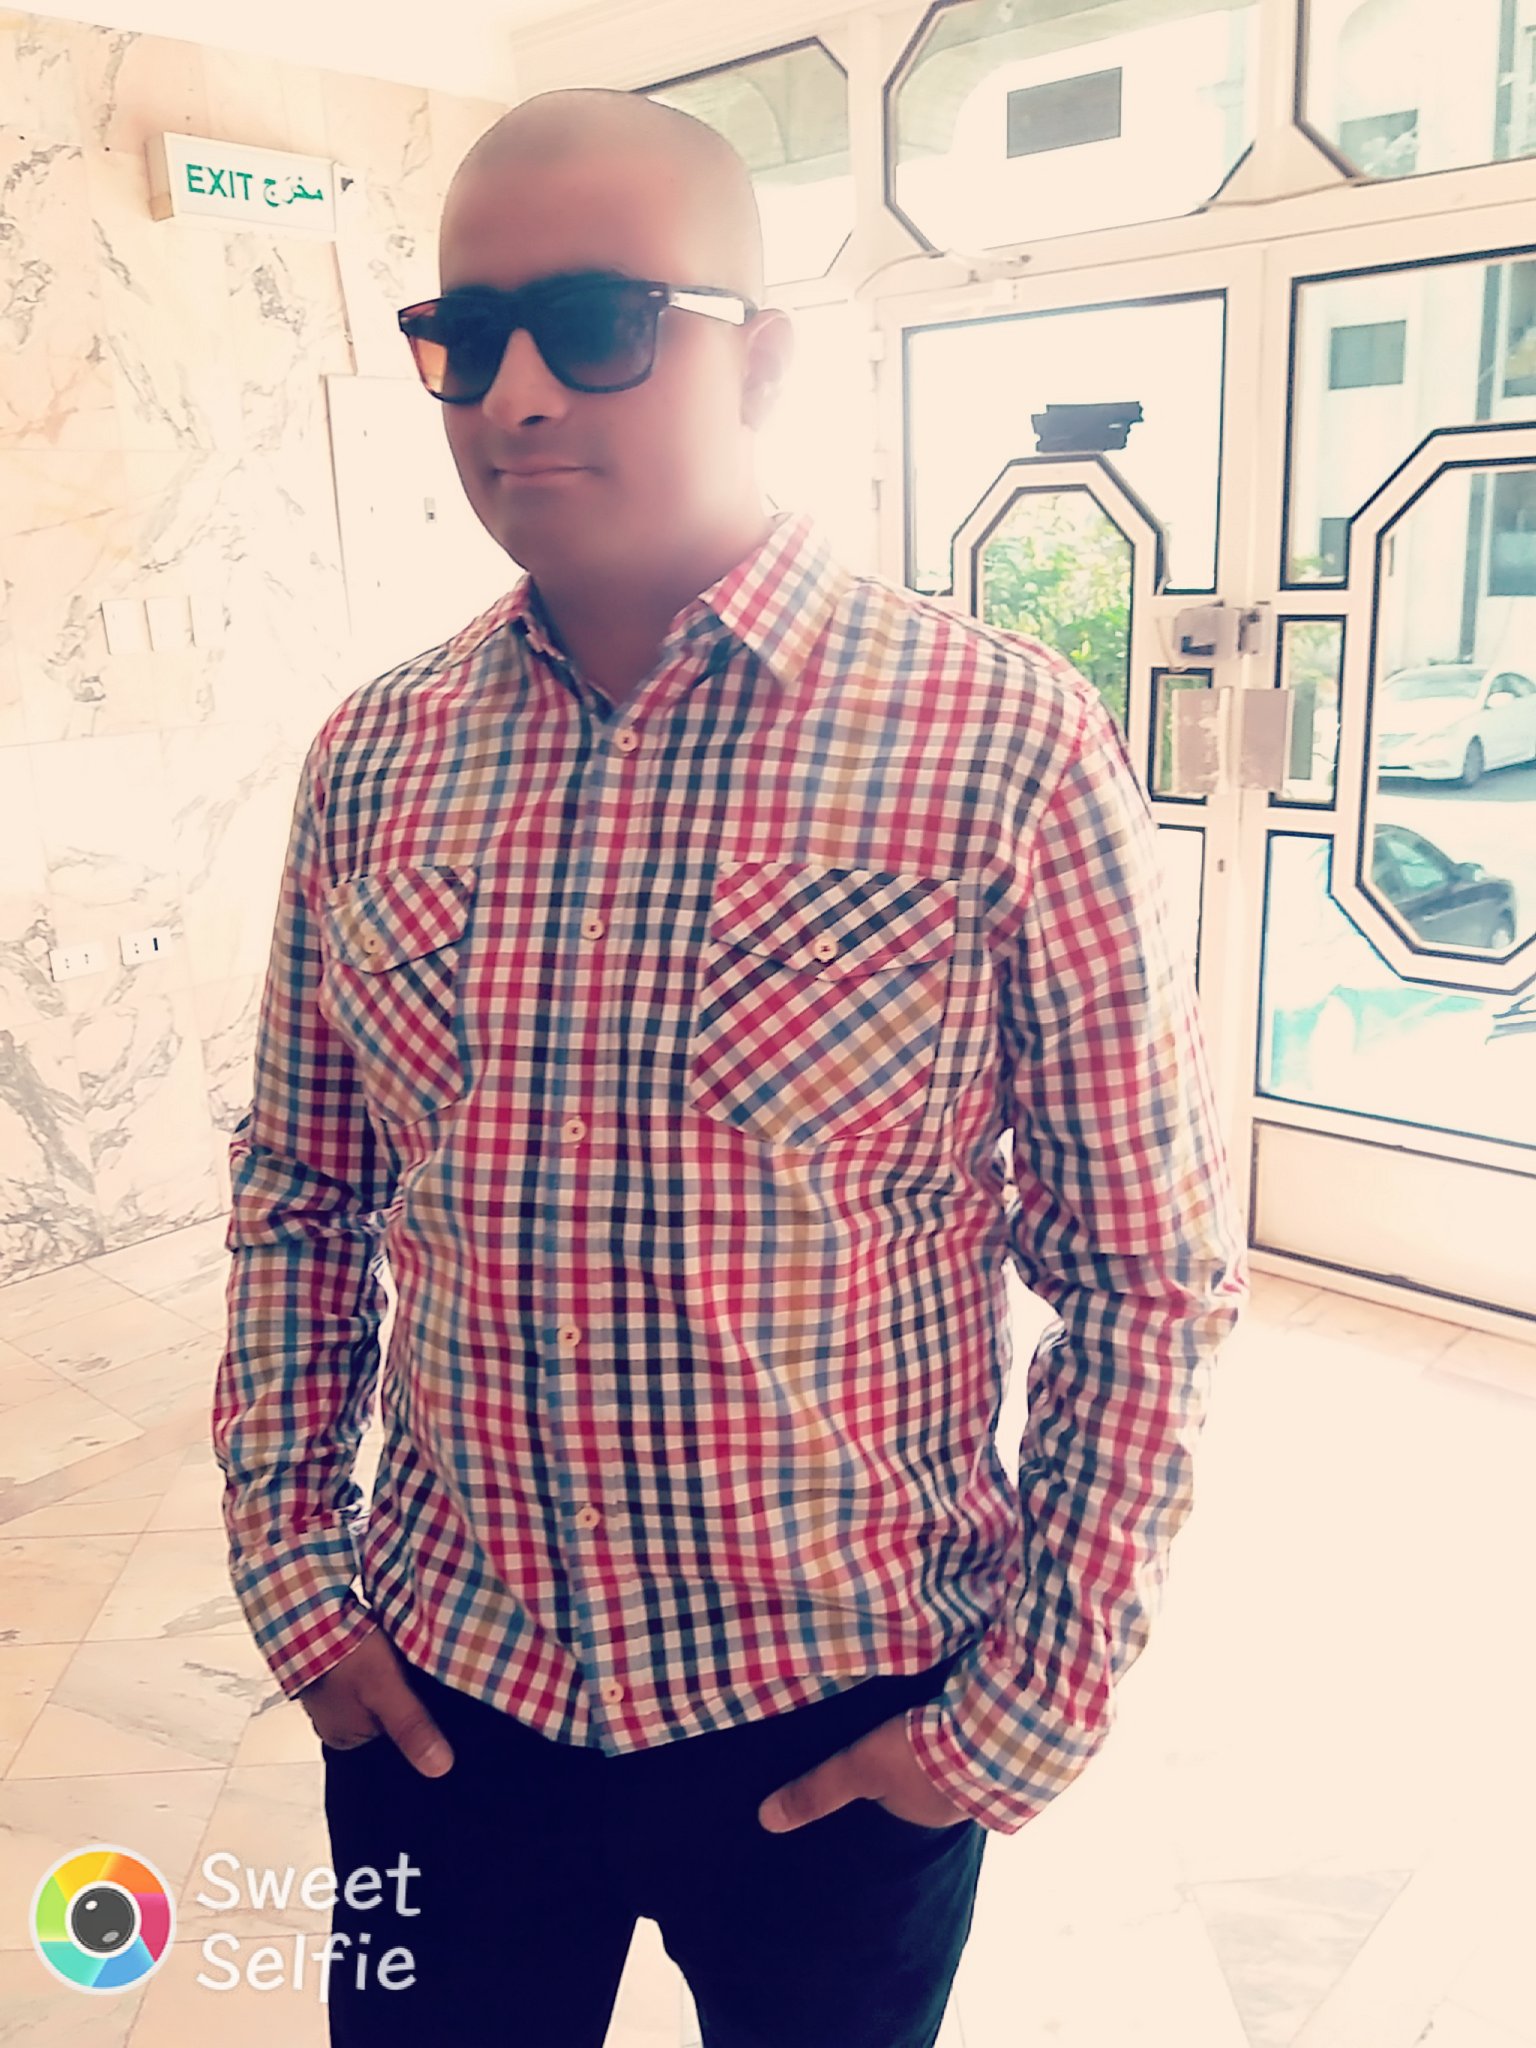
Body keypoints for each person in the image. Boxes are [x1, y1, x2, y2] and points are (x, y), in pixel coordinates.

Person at [213, 85, 1249, 2048]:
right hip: (442, 1706)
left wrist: (1021, 1713)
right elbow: (302, 1190)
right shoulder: (374, 758)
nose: (516, 393)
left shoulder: (998, 744)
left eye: (597, 324)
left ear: (761, 362)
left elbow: (1147, 1269)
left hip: (836, 1727)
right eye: (463, 337)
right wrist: (292, 1569)